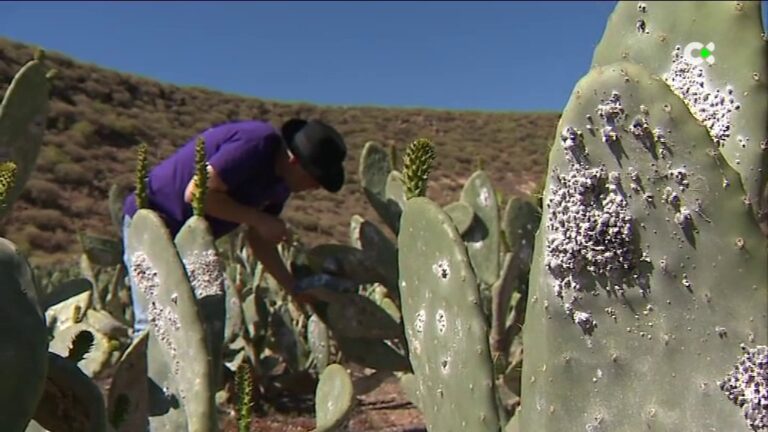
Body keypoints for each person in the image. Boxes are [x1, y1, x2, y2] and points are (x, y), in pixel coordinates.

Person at [121, 117, 347, 337]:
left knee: (202, 328)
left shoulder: (280, 186)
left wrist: (293, 288)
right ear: (295, 161)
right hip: (152, 221)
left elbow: (259, 240)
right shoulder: (257, 143)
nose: (316, 187)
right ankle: (143, 376)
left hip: (194, 243)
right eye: (316, 177)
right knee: (154, 325)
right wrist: (258, 219)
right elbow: (197, 193)